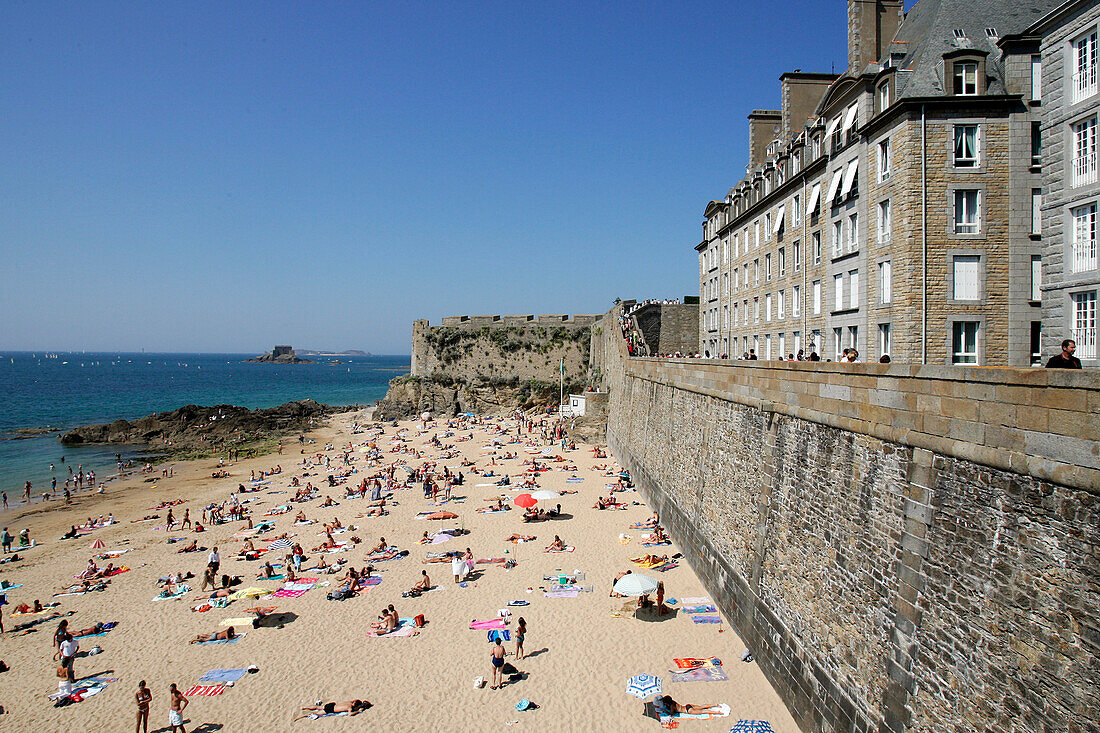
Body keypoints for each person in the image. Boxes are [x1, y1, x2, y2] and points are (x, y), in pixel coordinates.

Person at [293, 700, 371, 720]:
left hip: (332, 704)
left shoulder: (349, 702)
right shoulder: (349, 708)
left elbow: (355, 701)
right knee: (316, 713)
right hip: (330, 709)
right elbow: (350, 714)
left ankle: (304, 708)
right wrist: (358, 711)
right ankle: (303, 715)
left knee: (317, 707)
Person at [653, 695, 720, 717]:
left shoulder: (671, 706)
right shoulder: (673, 702)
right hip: (687, 706)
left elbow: (671, 713)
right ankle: (715, 704)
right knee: (701, 706)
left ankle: (717, 712)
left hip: (688, 710)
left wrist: (665, 711)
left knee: (703, 712)